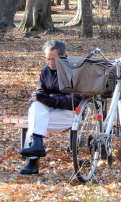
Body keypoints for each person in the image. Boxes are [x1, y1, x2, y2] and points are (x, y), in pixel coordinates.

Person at [19, 40, 81, 175]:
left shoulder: (75, 71)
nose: (51, 63)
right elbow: (41, 91)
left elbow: (75, 101)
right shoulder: (45, 71)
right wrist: (39, 96)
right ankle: (37, 144)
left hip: (71, 115)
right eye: (48, 59)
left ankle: (33, 160)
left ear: (64, 56)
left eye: (54, 59)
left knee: (34, 122)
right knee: (36, 106)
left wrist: (49, 100)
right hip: (51, 112)